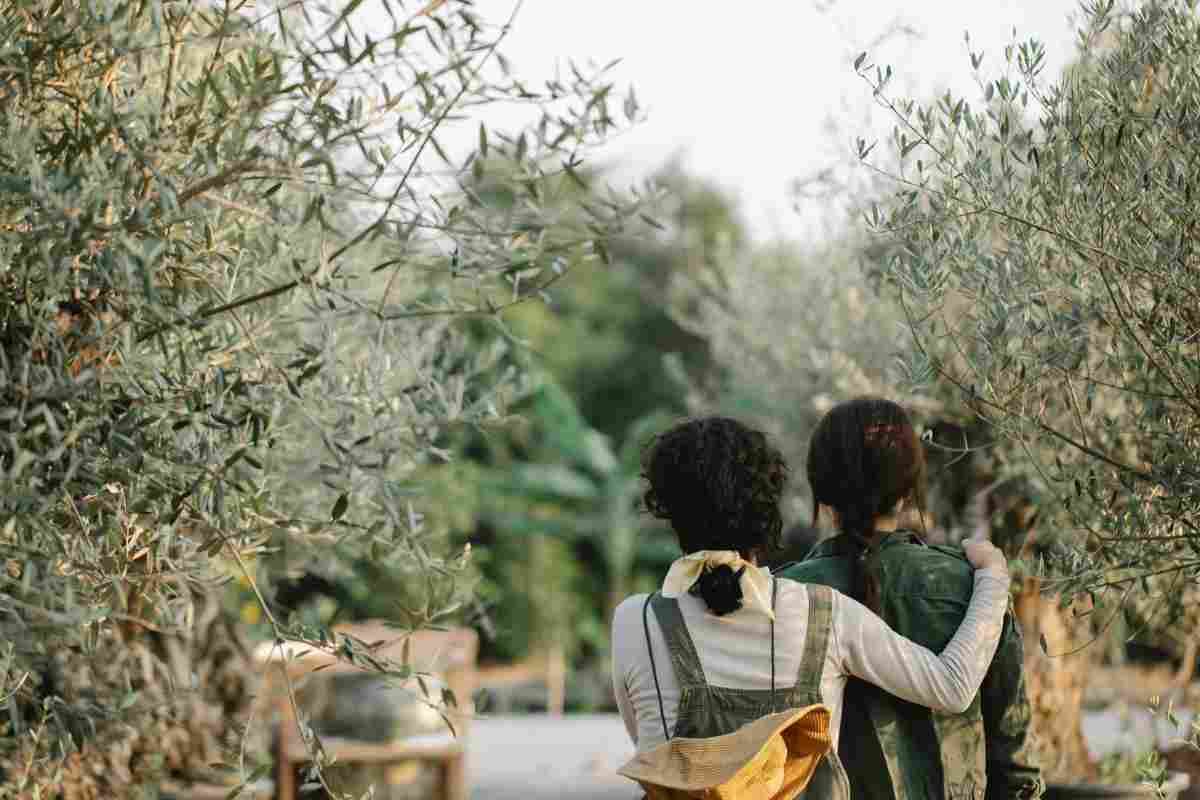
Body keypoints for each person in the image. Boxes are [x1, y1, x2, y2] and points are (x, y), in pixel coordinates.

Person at [611, 416, 1011, 796]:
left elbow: (650, 751)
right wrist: (993, 576)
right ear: (767, 509)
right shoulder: (822, 613)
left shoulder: (636, 621)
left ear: (669, 510)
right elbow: (952, 686)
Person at [778, 397, 1043, 800]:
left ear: (822, 493)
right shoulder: (974, 589)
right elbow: (1015, 764)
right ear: (907, 490)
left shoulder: (782, 599)